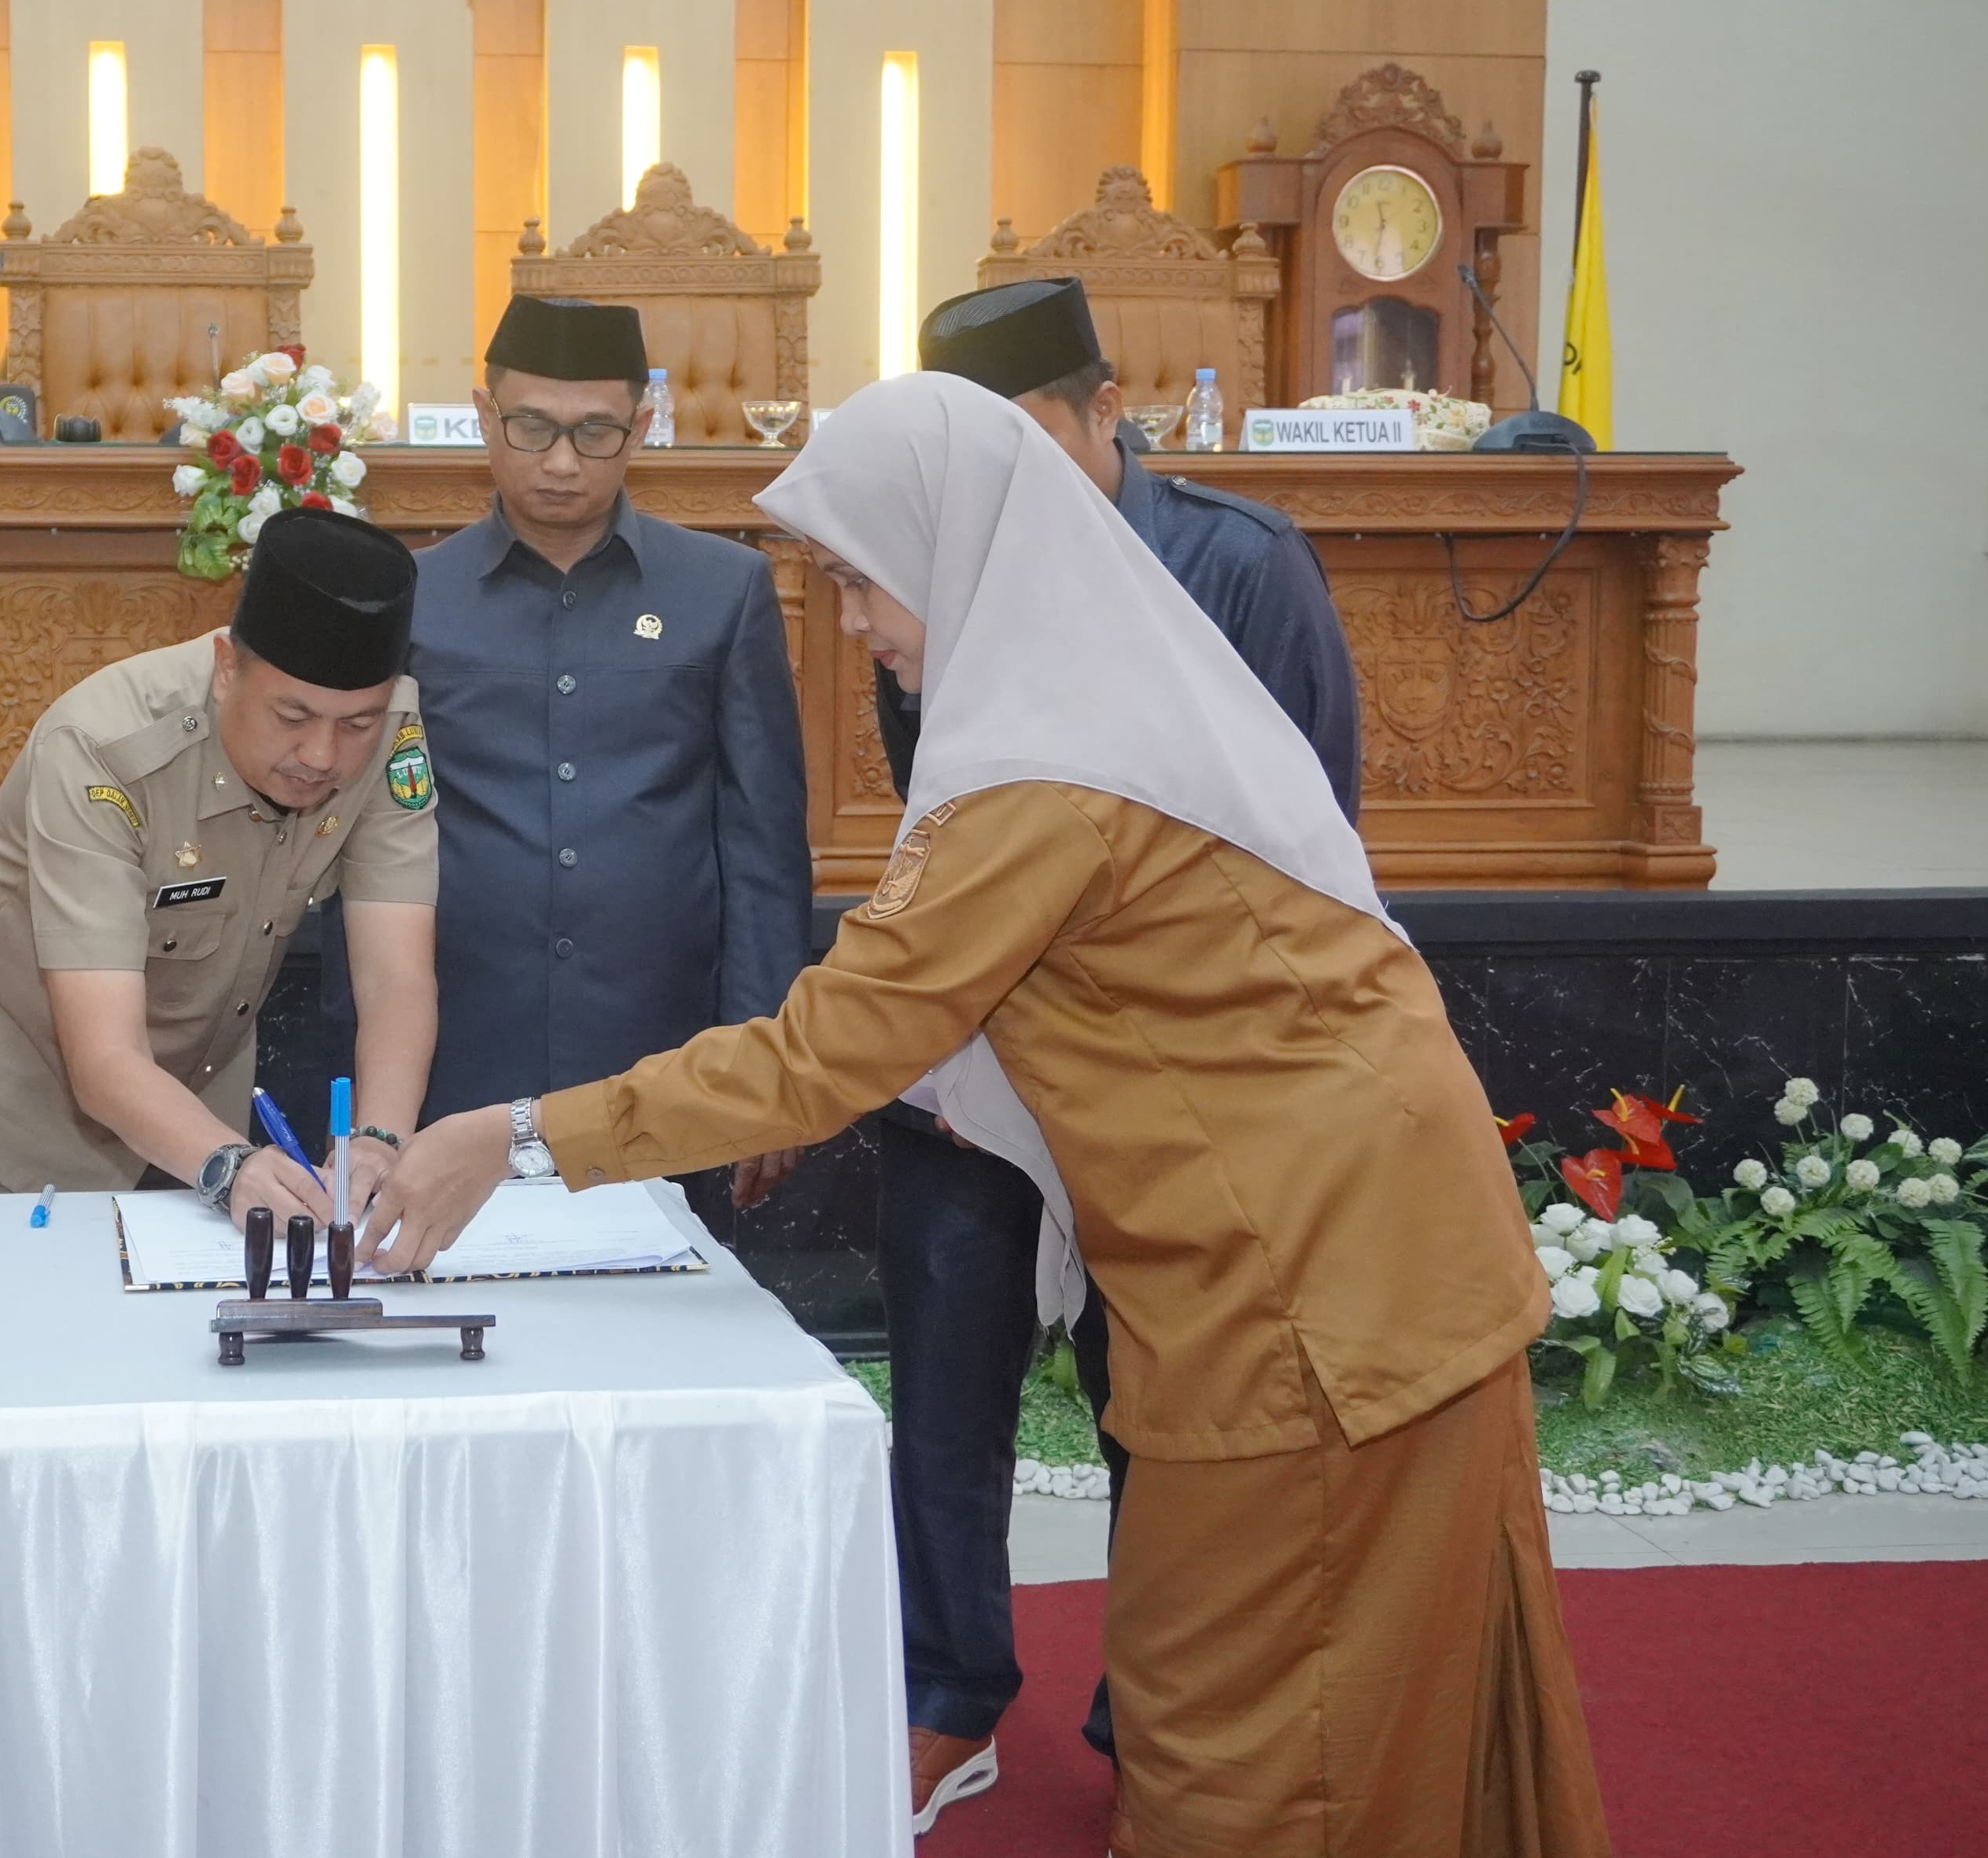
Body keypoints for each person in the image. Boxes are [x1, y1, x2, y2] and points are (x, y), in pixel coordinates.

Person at [367, 375, 1610, 1858]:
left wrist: (510, 1135)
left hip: (1321, 1288)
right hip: (1338, 1249)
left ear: (952, 548)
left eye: (859, 577)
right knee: (1299, 1696)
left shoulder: (1041, 773)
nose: (852, 623)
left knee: (1257, 1734)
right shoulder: (1086, 700)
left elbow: (823, 1055)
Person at [867, 275, 1367, 1821]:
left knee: (1166, 1411)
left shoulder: (1240, 563)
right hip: (986, 1069)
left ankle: (1154, 1709)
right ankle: (944, 1692)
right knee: (942, 1394)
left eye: (1024, 443)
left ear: (1104, 409)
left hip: (1172, 1088)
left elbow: (1307, 843)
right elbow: (945, 833)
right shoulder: (938, 582)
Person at [337, 293, 810, 1207]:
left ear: (641, 424)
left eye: (594, 431)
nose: (560, 462)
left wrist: (763, 1061)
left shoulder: (723, 589)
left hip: (661, 1054)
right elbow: (362, 834)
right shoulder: (415, 596)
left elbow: (763, 847)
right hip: (455, 1042)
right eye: (531, 427)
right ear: (484, 416)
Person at [0, 506, 440, 1228]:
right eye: (292, 717)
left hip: (196, 1110)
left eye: (356, 723)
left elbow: (396, 975)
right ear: (226, 670)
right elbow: (105, 1057)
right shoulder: (101, 750)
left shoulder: (392, 733)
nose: (322, 755)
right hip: (6, 1111)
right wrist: (230, 1165)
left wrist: (380, 1140)